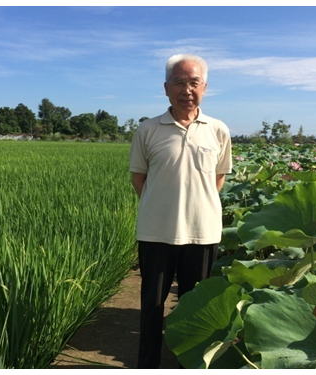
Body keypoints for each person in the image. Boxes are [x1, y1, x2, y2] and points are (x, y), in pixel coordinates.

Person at [128, 54, 232, 369]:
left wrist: (195, 205)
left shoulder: (218, 130)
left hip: (203, 233)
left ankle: (190, 365)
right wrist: (164, 205)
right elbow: (139, 178)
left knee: (194, 308)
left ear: (205, 87)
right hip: (156, 232)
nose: (186, 89)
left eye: (193, 82)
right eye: (179, 82)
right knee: (151, 306)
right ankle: (147, 365)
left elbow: (219, 177)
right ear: (166, 88)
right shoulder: (148, 130)